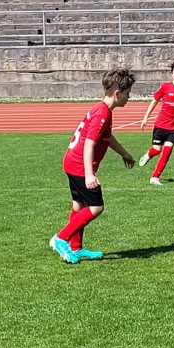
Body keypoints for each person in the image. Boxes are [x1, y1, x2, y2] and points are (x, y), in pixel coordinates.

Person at [50, 68, 137, 264]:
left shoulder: (103, 110)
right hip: (79, 166)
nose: (128, 97)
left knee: (78, 206)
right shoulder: (102, 114)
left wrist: (124, 153)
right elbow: (89, 143)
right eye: (127, 93)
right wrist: (89, 175)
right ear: (117, 94)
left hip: (72, 162)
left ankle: (76, 247)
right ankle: (60, 239)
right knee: (96, 207)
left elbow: (106, 137)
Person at [138, 60, 174, 185]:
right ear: (172, 74)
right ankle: (148, 154)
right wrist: (145, 117)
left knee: (167, 151)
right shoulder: (165, 87)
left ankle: (155, 177)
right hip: (160, 125)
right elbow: (154, 101)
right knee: (157, 150)